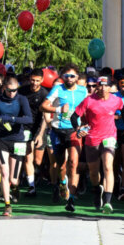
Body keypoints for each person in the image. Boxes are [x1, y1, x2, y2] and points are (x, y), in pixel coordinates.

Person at [73, 76, 124, 214]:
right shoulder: (89, 100)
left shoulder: (116, 100)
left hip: (109, 137)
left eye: (106, 86)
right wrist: (78, 129)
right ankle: (97, 189)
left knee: (108, 167)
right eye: (100, 85)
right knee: (93, 172)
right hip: (92, 138)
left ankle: (108, 202)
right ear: (97, 86)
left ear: (110, 87)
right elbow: (74, 116)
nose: (103, 88)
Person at [41, 64, 87, 211]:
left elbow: (88, 109)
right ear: (62, 77)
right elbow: (43, 106)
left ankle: (71, 199)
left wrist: (86, 126)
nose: (69, 78)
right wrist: (59, 109)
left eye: (72, 76)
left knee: (73, 163)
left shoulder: (83, 91)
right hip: (58, 131)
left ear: (77, 77)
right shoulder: (58, 89)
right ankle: (61, 182)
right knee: (61, 165)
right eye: (66, 76)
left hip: (74, 131)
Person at [0, 74, 33, 217]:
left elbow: (29, 119)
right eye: (9, 90)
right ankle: (7, 205)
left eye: (14, 90)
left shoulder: (21, 99)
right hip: (2, 140)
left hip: (18, 140)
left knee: (13, 179)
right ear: (4, 88)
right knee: (4, 172)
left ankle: (15, 187)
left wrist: (12, 119)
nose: (12, 93)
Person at [20, 68, 49, 197]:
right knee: (28, 157)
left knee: (37, 161)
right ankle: (31, 187)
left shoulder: (44, 94)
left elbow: (45, 117)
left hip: (39, 128)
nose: (34, 83)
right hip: (25, 128)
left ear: (42, 80)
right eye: (32, 80)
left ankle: (37, 174)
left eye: (37, 81)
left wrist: (40, 135)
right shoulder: (22, 91)